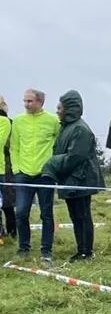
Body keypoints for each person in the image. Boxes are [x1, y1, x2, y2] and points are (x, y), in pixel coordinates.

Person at [41, 91, 104, 261]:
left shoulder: (80, 129)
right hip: (71, 178)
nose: (57, 111)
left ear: (69, 109)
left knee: (82, 216)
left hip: (81, 179)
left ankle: (86, 252)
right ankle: (81, 249)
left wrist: (52, 164)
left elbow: (75, 157)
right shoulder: (67, 127)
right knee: (75, 216)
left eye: (59, 108)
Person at [10, 88, 60, 264]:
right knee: (21, 212)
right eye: (25, 101)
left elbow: (59, 144)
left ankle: (46, 251)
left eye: (30, 101)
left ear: (40, 102)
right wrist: (16, 169)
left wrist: (53, 166)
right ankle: (23, 247)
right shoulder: (17, 121)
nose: (26, 104)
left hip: (45, 174)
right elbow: (14, 146)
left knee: (46, 213)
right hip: (23, 174)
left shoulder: (53, 120)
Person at [0, 96, 16, 242]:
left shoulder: (7, 122)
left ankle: (11, 232)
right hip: (7, 164)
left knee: (7, 202)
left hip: (7, 164)